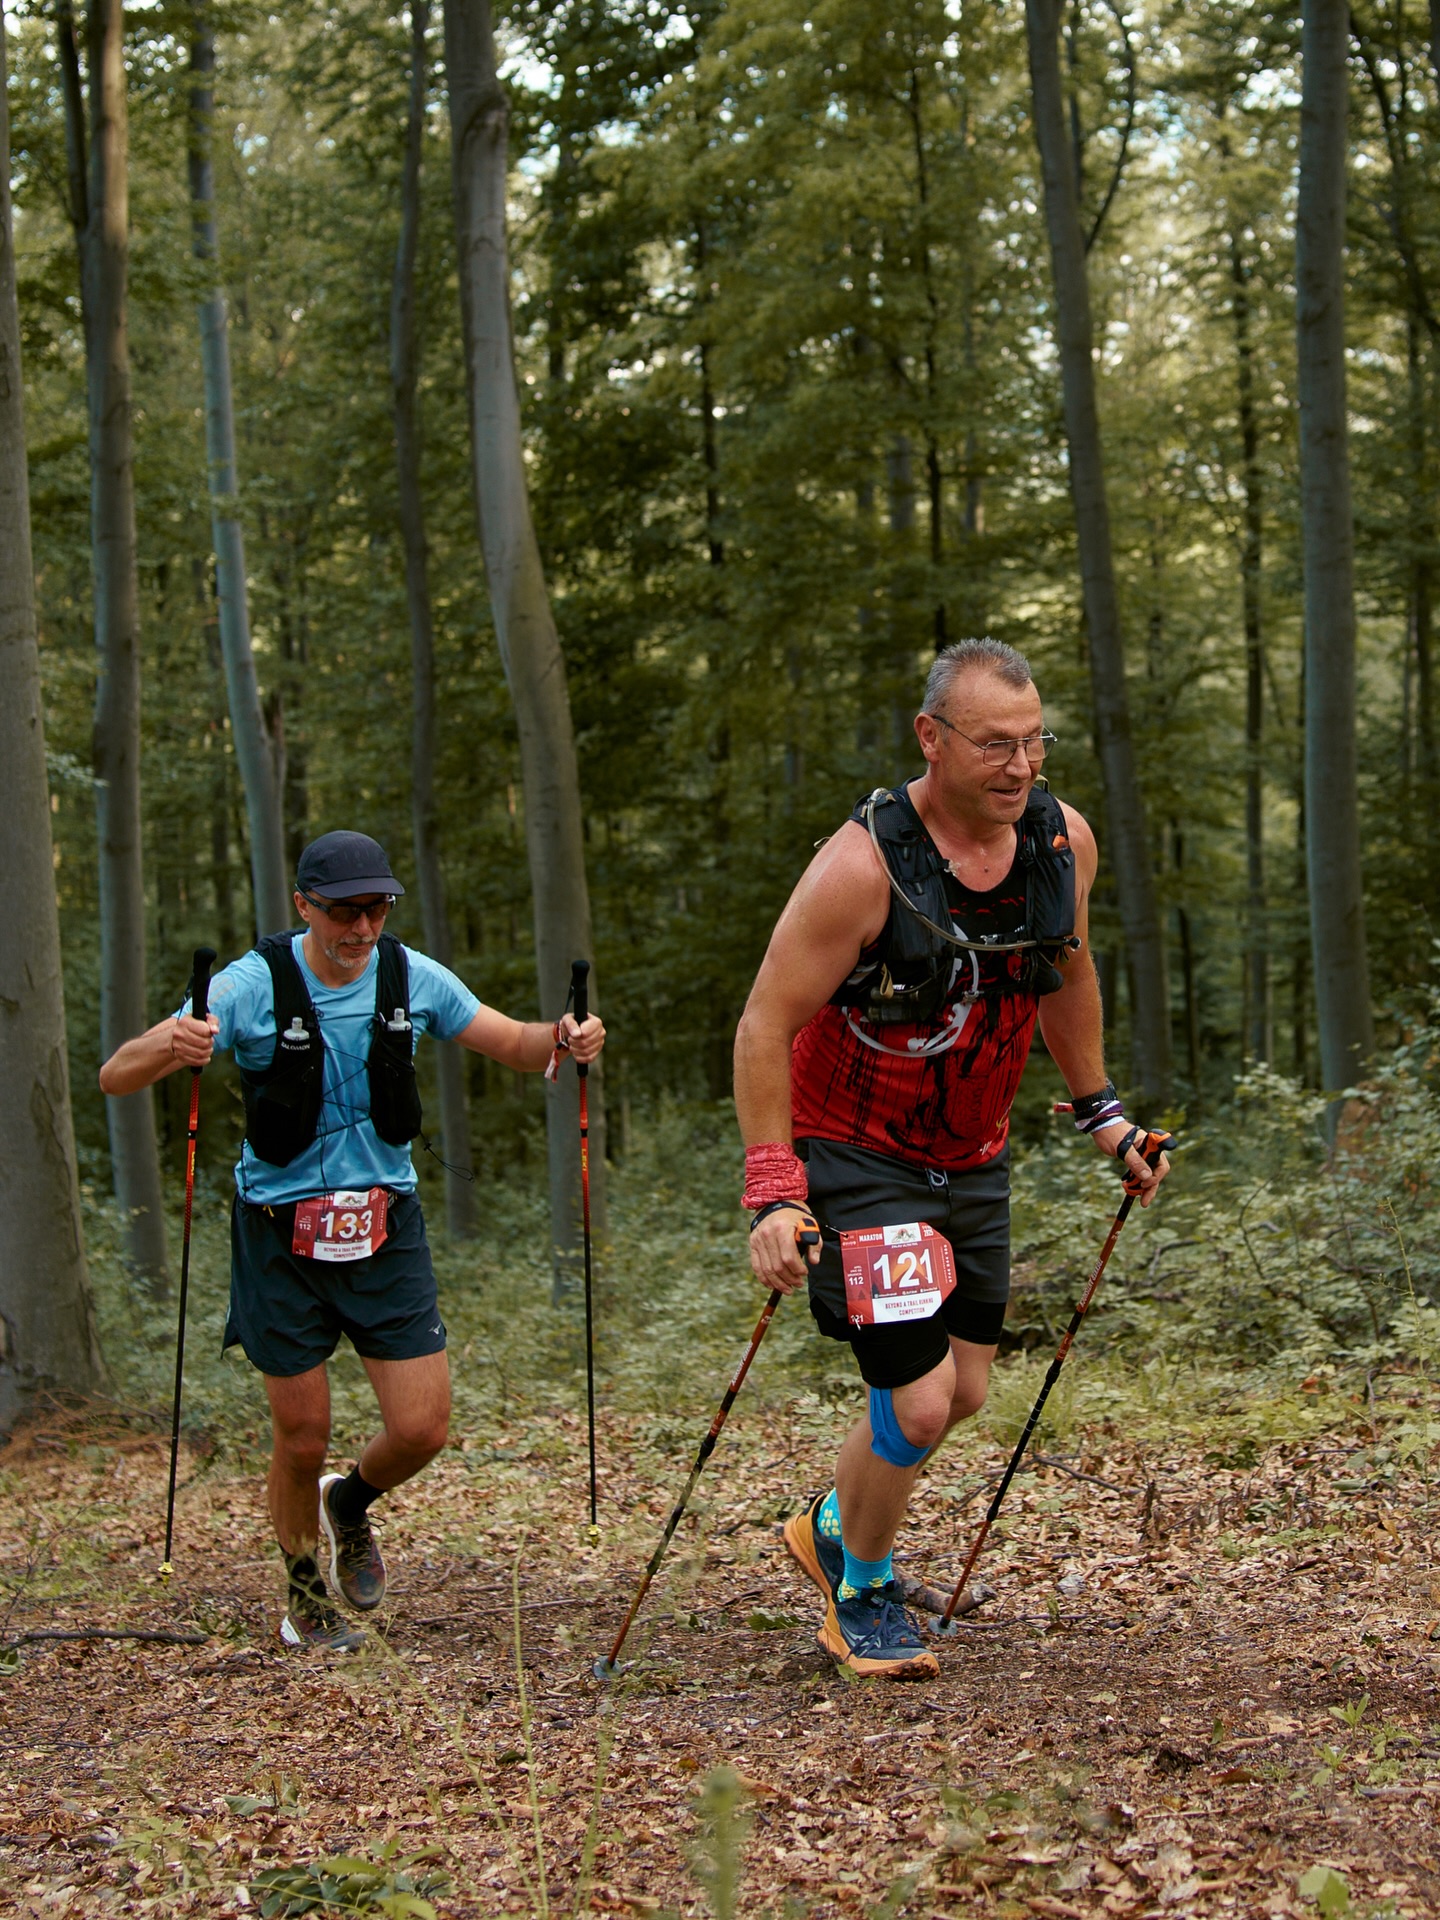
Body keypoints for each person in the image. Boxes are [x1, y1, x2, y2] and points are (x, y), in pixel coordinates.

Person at [733, 639, 1169, 1680]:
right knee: (919, 1401)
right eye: (993, 745)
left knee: (963, 1391)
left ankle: (834, 1525)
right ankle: (865, 1595)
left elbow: (1065, 975)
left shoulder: (1062, 844)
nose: (1020, 768)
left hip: (971, 1154)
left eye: (1033, 744)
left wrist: (1101, 1112)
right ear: (932, 739)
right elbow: (762, 1023)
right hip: (857, 1151)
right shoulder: (861, 868)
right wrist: (773, 1189)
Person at [100, 830, 605, 1651]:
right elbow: (116, 1074)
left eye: (376, 909)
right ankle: (304, 1593)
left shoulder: (412, 976)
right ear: (305, 906)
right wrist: (174, 1044)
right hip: (278, 1234)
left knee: (422, 1428)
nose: (363, 928)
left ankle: (351, 1504)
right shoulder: (250, 985)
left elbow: (512, 1041)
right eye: (344, 911)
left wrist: (565, 1036)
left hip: (382, 1228)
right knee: (300, 1434)